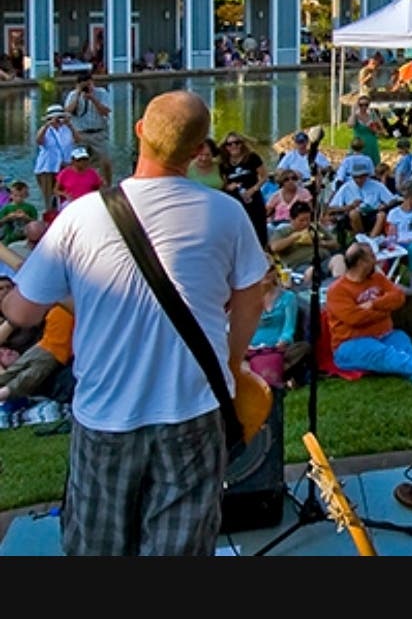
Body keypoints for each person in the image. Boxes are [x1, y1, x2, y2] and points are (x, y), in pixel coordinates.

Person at [1, 89, 268, 556]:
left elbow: (21, 312)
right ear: (199, 149)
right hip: (194, 407)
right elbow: (251, 302)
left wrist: (78, 291)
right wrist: (229, 362)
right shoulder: (228, 213)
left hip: (106, 414)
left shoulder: (79, 216)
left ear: (140, 131)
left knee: (98, 551)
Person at [324, 241, 412, 388]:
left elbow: (398, 297)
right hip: (351, 344)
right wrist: (385, 311)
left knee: (402, 343)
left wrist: (374, 304)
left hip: (385, 334)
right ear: (361, 262)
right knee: (385, 354)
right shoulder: (337, 291)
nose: (376, 260)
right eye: (372, 256)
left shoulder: (377, 278)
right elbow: (354, 318)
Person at [248, 267, 311, 389]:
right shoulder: (247, 300)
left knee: (303, 348)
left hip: (279, 348)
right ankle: (277, 377)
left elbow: (289, 328)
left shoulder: (288, 297)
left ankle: (264, 375)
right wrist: (249, 347)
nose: (266, 273)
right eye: (261, 269)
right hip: (253, 349)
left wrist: (282, 342)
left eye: (270, 269)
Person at [269, 200, 345, 288]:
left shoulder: (315, 227)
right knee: (312, 271)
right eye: (301, 220)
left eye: (308, 219)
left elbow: (336, 244)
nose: (305, 223)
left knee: (339, 259)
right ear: (292, 219)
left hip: (323, 261)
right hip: (301, 266)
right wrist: (294, 237)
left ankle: (340, 289)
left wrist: (320, 243)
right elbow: (274, 247)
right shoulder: (283, 232)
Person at [219, 132, 270, 248]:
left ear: (242, 144)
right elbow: (223, 183)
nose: (233, 146)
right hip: (235, 200)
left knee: (259, 230)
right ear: (226, 147)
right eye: (229, 144)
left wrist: (254, 189)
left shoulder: (252, 158)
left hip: (253, 198)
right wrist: (228, 187)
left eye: (237, 143)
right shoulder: (224, 164)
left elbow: (264, 176)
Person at [62, 72, 113, 185]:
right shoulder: (73, 95)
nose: (87, 87)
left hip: (99, 133)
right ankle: (82, 186)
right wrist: (78, 93)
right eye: (84, 84)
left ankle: (108, 186)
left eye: (89, 84)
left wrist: (93, 99)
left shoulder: (101, 93)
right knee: (80, 163)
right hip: (80, 134)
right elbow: (68, 111)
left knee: (105, 161)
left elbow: (106, 112)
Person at [326, 161, 395, 241]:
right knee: (353, 213)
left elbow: (392, 200)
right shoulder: (346, 187)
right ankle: (362, 238)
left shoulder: (377, 185)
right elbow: (331, 208)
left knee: (382, 215)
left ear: (366, 176)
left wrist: (384, 206)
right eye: (356, 177)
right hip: (353, 216)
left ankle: (371, 240)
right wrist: (349, 207)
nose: (358, 180)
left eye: (361, 177)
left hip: (373, 214)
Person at [34, 104, 77, 213]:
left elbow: (78, 139)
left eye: (60, 117)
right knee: (50, 197)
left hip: (65, 166)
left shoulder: (66, 129)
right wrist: (47, 125)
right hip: (48, 167)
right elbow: (38, 141)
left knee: (67, 194)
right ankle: (50, 216)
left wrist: (70, 125)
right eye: (54, 118)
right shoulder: (45, 130)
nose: (57, 120)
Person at [348, 94, 383, 166]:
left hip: (371, 143)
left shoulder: (372, 114)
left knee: (373, 163)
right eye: (361, 105)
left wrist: (376, 129)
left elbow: (381, 127)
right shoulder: (355, 115)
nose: (364, 107)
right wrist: (353, 112)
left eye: (366, 105)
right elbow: (350, 125)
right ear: (358, 105)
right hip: (358, 143)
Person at [0, 181, 38, 245]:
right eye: (15, 195)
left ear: (26, 195)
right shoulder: (6, 208)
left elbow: (36, 224)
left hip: (27, 238)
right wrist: (7, 218)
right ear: (10, 195)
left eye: (21, 196)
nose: (18, 198)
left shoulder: (30, 208)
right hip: (9, 238)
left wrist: (26, 218)